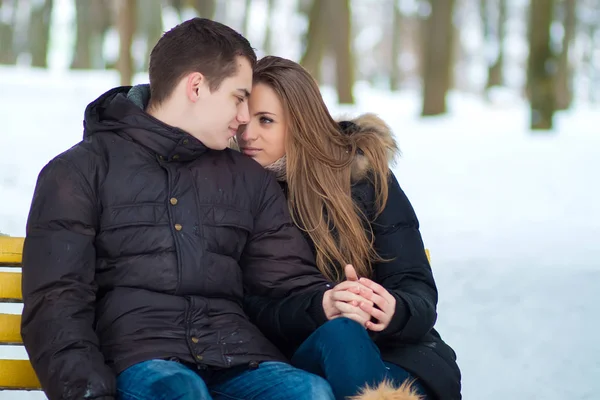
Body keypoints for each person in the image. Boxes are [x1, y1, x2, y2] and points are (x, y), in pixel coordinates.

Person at [20, 19, 346, 400]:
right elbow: (57, 303)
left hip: (238, 359)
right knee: (181, 390)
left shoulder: (248, 179)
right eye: (238, 98)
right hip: (139, 361)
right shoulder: (81, 171)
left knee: (308, 392)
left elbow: (283, 283)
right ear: (196, 87)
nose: (243, 118)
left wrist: (325, 301)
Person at [236, 56, 462, 400]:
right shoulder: (233, 193)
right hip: (303, 357)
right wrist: (322, 307)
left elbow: (415, 285)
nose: (247, 134)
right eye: (243, 119)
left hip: (397, 355)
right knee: (341, 334)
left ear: (300, 124)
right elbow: (244, 306)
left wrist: (391, 309)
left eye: (265, 120)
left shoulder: (364, 179)